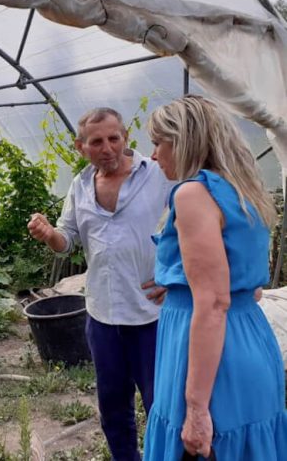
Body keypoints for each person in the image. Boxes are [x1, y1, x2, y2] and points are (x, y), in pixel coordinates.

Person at [143, 95, 287, 460]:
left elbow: (214, 302)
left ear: (185, 140)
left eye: (159, 143)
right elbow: (247, 289)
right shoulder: (242, 193)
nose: (154, 155)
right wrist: (179, 285)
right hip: (248, 337)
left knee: (201, 443)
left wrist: (195, 407)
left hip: (212, 352)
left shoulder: (194, 194)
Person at [27, 107, 173, 461]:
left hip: (152, 316)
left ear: (125, 138)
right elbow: (68, 240)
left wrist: (177, 275)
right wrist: (50, 235)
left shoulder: (158, 174)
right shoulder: (79, 186)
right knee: (113, 408)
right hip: (103, 317)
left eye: (114, 138)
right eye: (96, 142)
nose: (107, 148)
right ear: (81, 147)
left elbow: (193, 219)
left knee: (162, 408)